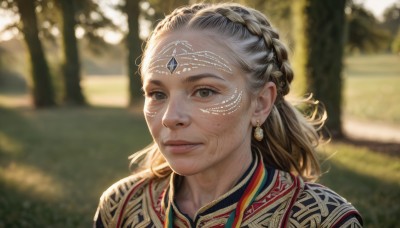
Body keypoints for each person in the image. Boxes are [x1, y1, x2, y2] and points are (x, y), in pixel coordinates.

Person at [94, 3, 363, 227]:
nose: (170, 117)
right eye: (157, 94)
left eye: (204, 91)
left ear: (260, 103)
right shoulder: (121, 207)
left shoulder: (324, 220)